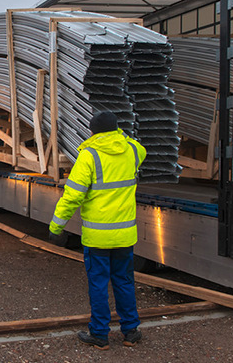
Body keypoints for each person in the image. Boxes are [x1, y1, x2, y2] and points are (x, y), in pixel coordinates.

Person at [48, 111, 147, 350]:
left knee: (99, 285)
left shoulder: (89, 156)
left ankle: (100, 335)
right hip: (124, 235)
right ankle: (130, 332)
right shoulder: (133, 151)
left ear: (92, 131)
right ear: (116, 129)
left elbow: (72, 196)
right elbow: (138, 148)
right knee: (124, 282)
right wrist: (120, 135)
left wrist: (56, 226)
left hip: (98, 237)